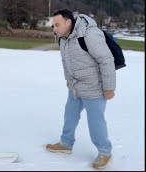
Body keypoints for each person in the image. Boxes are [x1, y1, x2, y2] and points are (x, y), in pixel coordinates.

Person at [46, 9, 115, 169]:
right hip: (76, 87)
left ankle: (105, 152)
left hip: (94, 88)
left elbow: (106, 60)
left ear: (68, 22)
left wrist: (109, 87)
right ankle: (66, 143)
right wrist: (69, 81)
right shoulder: (63, 39)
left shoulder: (89, 34)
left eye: (57, 25)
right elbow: (66, 62)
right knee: (70, 114)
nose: (54, 28)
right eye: (53, 25)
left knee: (95, 122)